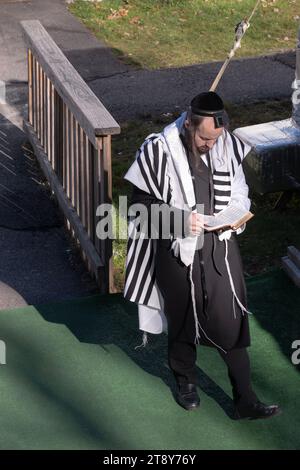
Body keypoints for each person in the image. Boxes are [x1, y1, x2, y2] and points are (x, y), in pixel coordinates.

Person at [123, 91, 281, 420]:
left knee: (231, 321)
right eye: (204, 137)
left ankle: (245, 399)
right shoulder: (158, 150)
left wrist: (236, 213)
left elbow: (239, 191)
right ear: (189, 125)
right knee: (182, 320)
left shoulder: (224, 144)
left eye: (216, 138)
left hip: (219, 248)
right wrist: (181, 219)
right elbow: (137, 209)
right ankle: (186, 383)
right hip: (176, 250)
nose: (210, 144)